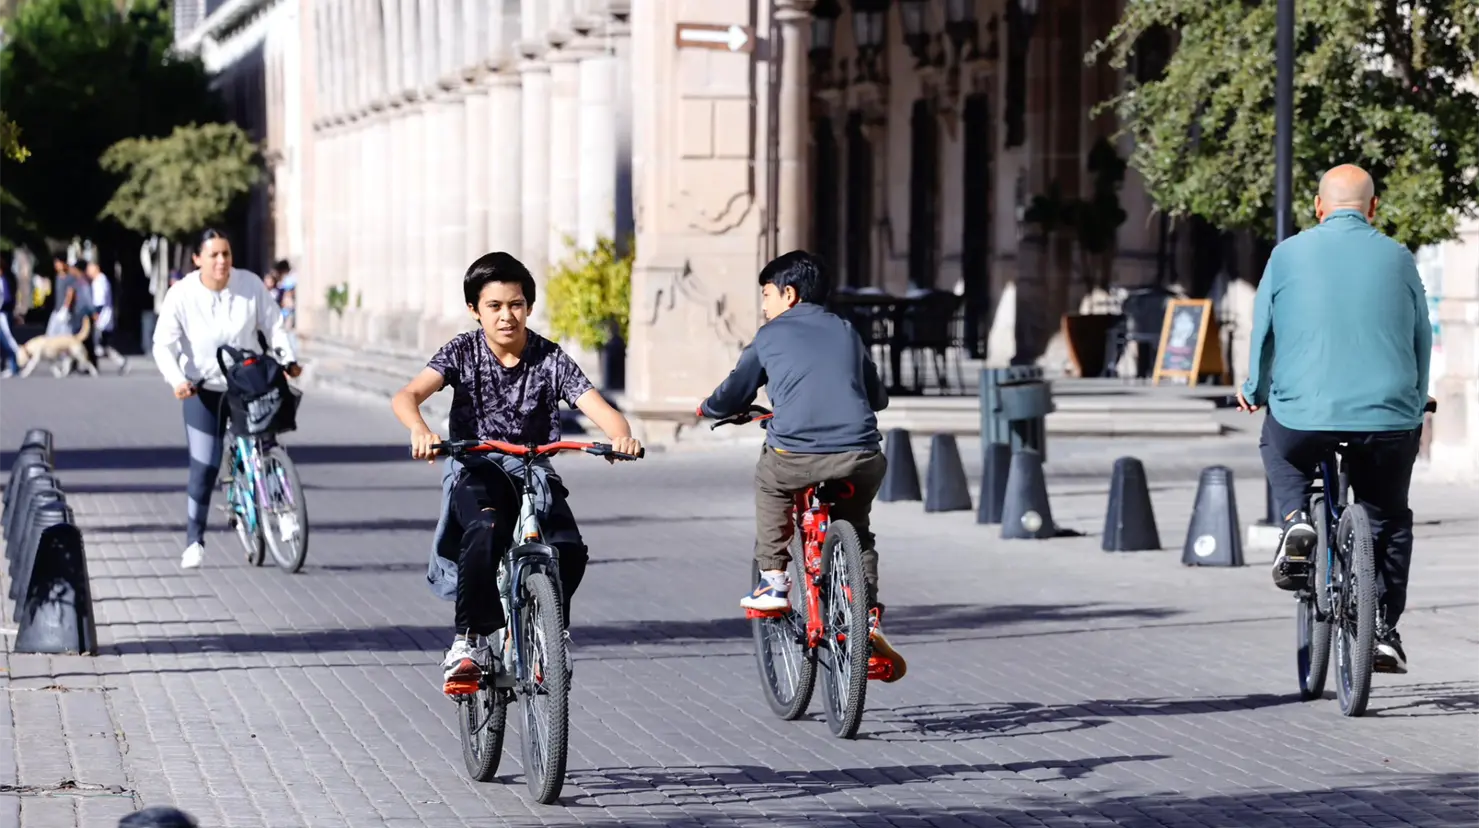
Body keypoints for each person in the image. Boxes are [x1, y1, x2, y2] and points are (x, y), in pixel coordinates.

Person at [391, 251, 642, 695]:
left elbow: (603, 411)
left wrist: (620, 437)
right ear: (475, 310)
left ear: (527, 306)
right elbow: (408, 395)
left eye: (516, 304)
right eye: (495, 306)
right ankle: (467, 642)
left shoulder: (549, 357)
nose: (507, 316)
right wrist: (419, 429)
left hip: (533, 470)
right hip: (478, 467)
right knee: (485, 527)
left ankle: (550, 629)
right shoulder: (461, 352)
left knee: (570, 549)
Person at [1237, 163, 1430, 675]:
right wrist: (1416, 398)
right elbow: (1421, 336)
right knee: (1389, 519)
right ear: (1373, 208)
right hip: (1390, 416)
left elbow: (1263, 333)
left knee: (1277, 446)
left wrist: (1254, 389)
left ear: (1319, 207)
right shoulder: (1399, 257)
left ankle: (1297, 519)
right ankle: (1383, 630)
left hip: (1304, 414)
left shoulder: (1286, 254)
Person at [696, 250, 906, 682]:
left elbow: (734, 391)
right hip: (862, 455)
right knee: (858, 530)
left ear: (788, 294)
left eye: (767, 295)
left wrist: (708, 408)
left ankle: (772, 578)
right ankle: (864, 617)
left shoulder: (769, 335)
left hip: (796, 455)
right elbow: (878, 397)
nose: (764, 305)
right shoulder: (847, 331)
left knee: (770, 480)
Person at [151, 229, 301, 570]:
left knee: (265, 447)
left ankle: (285, 515)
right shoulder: (182, 294)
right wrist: (177, 380)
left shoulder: (249, 285)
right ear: (198, 259)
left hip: (247, 385)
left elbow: (275, 326)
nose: (222, 262)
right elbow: (163, 345)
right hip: (202, 389)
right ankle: (194, 540)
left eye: (226, 254)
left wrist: (287, 358)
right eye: (214, 255)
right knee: (204, 464)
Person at [86, 260, 128, 373]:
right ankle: (118, 361)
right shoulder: (99, 280)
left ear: (96, 268)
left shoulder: (100, 281)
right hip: (103, 317)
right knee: (102, 344)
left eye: (90, 268)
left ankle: (120, 361)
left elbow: (100, 300)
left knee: (102, 344)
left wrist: (95, 314)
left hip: (102, 317)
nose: (88, 271)